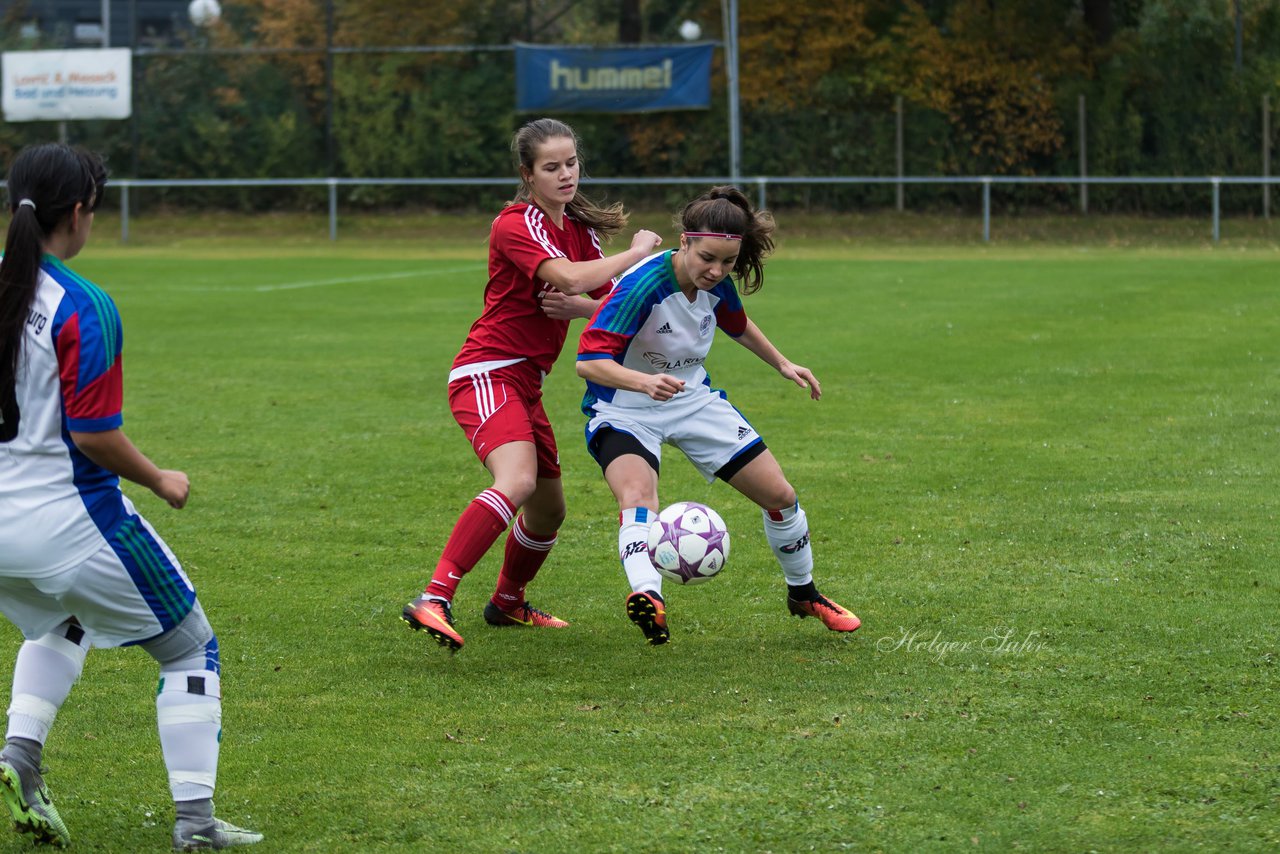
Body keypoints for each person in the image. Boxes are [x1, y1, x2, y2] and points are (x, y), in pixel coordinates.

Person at [0, 143, 262, 850]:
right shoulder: (84, 306)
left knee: (59, 622)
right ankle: (196, 824)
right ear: (80, 213)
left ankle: (19, 753)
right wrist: (159, 477)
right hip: (71, 521)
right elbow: (94, 436)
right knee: (190, 649)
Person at [401, 118, 662, 653]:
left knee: (548, 511)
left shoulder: (582, 233)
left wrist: (585, 304)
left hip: (528, 382)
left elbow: (614, 308)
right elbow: (567, 278)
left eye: (571, 163)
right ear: (528, 174)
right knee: (517, 481)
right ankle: (434, 596)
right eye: (551, 167)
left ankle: (506, 602)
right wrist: (635, 252)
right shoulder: (515, 223)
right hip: (488, 371)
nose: (565, 174)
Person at [575, 185, 861, 645]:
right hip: (624, 408)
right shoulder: (645, 285)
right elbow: (588, 361)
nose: (717, 271)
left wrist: (783, 362)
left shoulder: (717, 283)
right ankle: (650, 598)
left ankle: (804, 593)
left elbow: (737, 323)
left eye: (728, 262)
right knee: (637, 497)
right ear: (684, 241)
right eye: (708, 257)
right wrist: (644, 382)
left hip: (692, 399)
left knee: (781, 495)